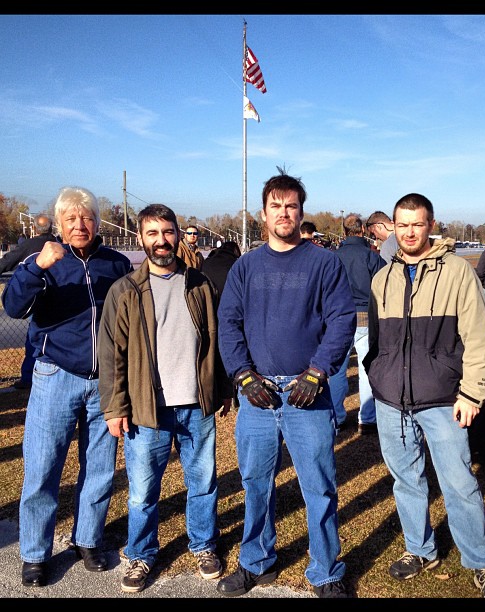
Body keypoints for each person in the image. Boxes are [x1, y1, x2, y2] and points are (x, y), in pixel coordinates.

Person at [216, 172, 356, 599]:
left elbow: (341, 320)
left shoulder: (323, 263)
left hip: (305, 392)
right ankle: (256, 561)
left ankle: (326, 572)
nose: (284, 213)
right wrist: (240, 373)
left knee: (318, 486)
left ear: (301, 212)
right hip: (257, 394)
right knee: (256, 482)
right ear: (263, 213)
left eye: (291, 206)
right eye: (275, 206)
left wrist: (318, 372)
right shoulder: (246, 266)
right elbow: (229, 323)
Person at [365, 193, 485, 599]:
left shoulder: (456, 273)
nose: (409, 231)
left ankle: (484, 562)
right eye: (402, 224)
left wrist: (471, 393)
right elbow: (378, 341)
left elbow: (480, 339)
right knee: (406, 480)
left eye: (417, 223)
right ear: (393, 227)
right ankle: (420, 549)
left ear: (430, 225)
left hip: (444, 398)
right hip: (391, 399)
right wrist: (376, 376)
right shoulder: (383, 278)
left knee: (459, 482)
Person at [98, 203, 233, 594]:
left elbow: (216, 343)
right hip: (146, 408)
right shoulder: (125, 291)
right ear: (140, 238)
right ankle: (141, 552)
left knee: (203, 481)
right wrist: (115, 407)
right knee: (143, 490)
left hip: (196, 406)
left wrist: (223, 389)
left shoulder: (200, 285)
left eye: (168, 232)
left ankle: (204, 545)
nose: (162, 241)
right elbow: (112, 357)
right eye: (152, 233)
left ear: (178, 235)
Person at [2, 186, 132, 588]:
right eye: (71, 219)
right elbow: (13, 307)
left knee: (99, 467)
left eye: (87, 217)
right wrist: (35, 268)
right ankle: (36, 553)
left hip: (104, 383)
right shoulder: (45, 259)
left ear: (97, 222)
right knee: (43, 466)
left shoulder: (116, 263)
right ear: (58, 224)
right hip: (55, 376)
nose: (80, 224)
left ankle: (88, 539)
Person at [329, 213, 385, 434]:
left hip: (338, 319)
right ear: (362, 231)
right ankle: (367, 417)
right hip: (366, 318)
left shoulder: (332, 257)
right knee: (366, 369)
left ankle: (337, 417)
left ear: (344, 232)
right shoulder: (372, 258)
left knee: (336, 372)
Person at [0, 213, 57, 389]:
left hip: (35, 296)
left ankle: (28, 377)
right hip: (57, 295)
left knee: (34, 336)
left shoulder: (28, 245)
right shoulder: (59, 244)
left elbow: (7, 261)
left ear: (34, 229)